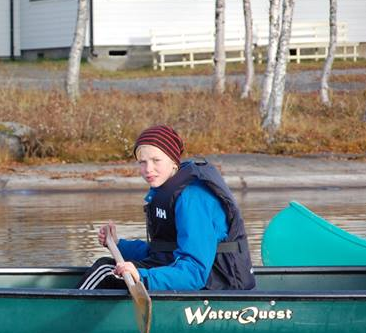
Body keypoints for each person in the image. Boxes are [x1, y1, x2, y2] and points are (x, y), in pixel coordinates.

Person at [78, 124, 255, 291]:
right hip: (187, 273)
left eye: (156, 160)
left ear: (173, 162)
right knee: (107, 267)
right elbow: (162, 250)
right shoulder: (165, 190)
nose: (148, 169)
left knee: (105, 272)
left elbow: (195, 271)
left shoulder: (192, 199)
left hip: (215, 283)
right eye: (142, 162)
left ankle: (62, 315)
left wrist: (141, 276)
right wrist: (118, 244)